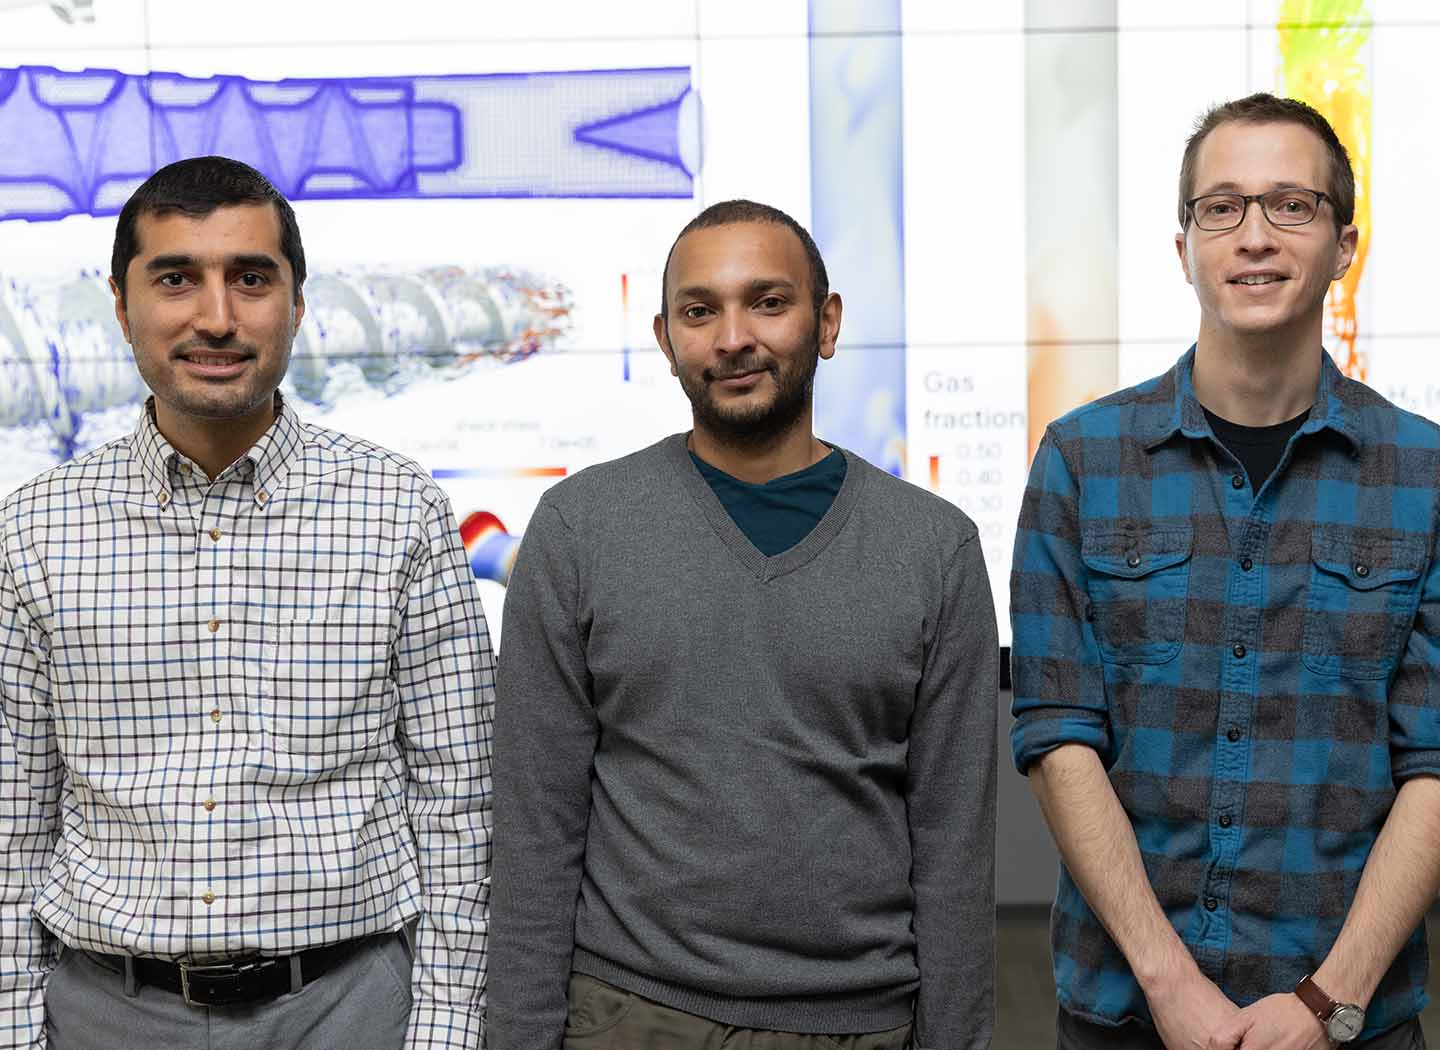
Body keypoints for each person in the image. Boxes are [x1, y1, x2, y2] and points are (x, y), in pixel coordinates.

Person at [0, 156, 493, 1050]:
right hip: (105, 1013)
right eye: (177, 278)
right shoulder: (34, 528)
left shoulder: (398, 510)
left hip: (351, 1011)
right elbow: (11, 818)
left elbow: (461, 805)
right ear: (122, 306)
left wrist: (448, 1030)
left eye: (251, 279)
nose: (217, 318)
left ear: (297, 302)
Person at [489, 200, 998, 1050]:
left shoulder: (933, 548)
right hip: (627, 1016)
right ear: (665, 339)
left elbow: (954, 847)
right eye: (700, 311)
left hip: (860, 1023)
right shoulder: (581, 527)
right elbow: (536, 831)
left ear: (826, 322)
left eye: (768, 302)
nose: (733, 338)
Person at [1010, 93, 1440, 1050]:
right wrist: (1171, 985)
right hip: (1126, 1012)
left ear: (1344, 246)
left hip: (1352, 1020)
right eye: (1223, 207)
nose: (1254, 235)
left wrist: (1327, 1002)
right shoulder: (1083, 462)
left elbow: (1437, 763)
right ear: (1184, 248)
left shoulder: (1426, 475)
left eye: (1292, 205)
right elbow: (1057, 733)